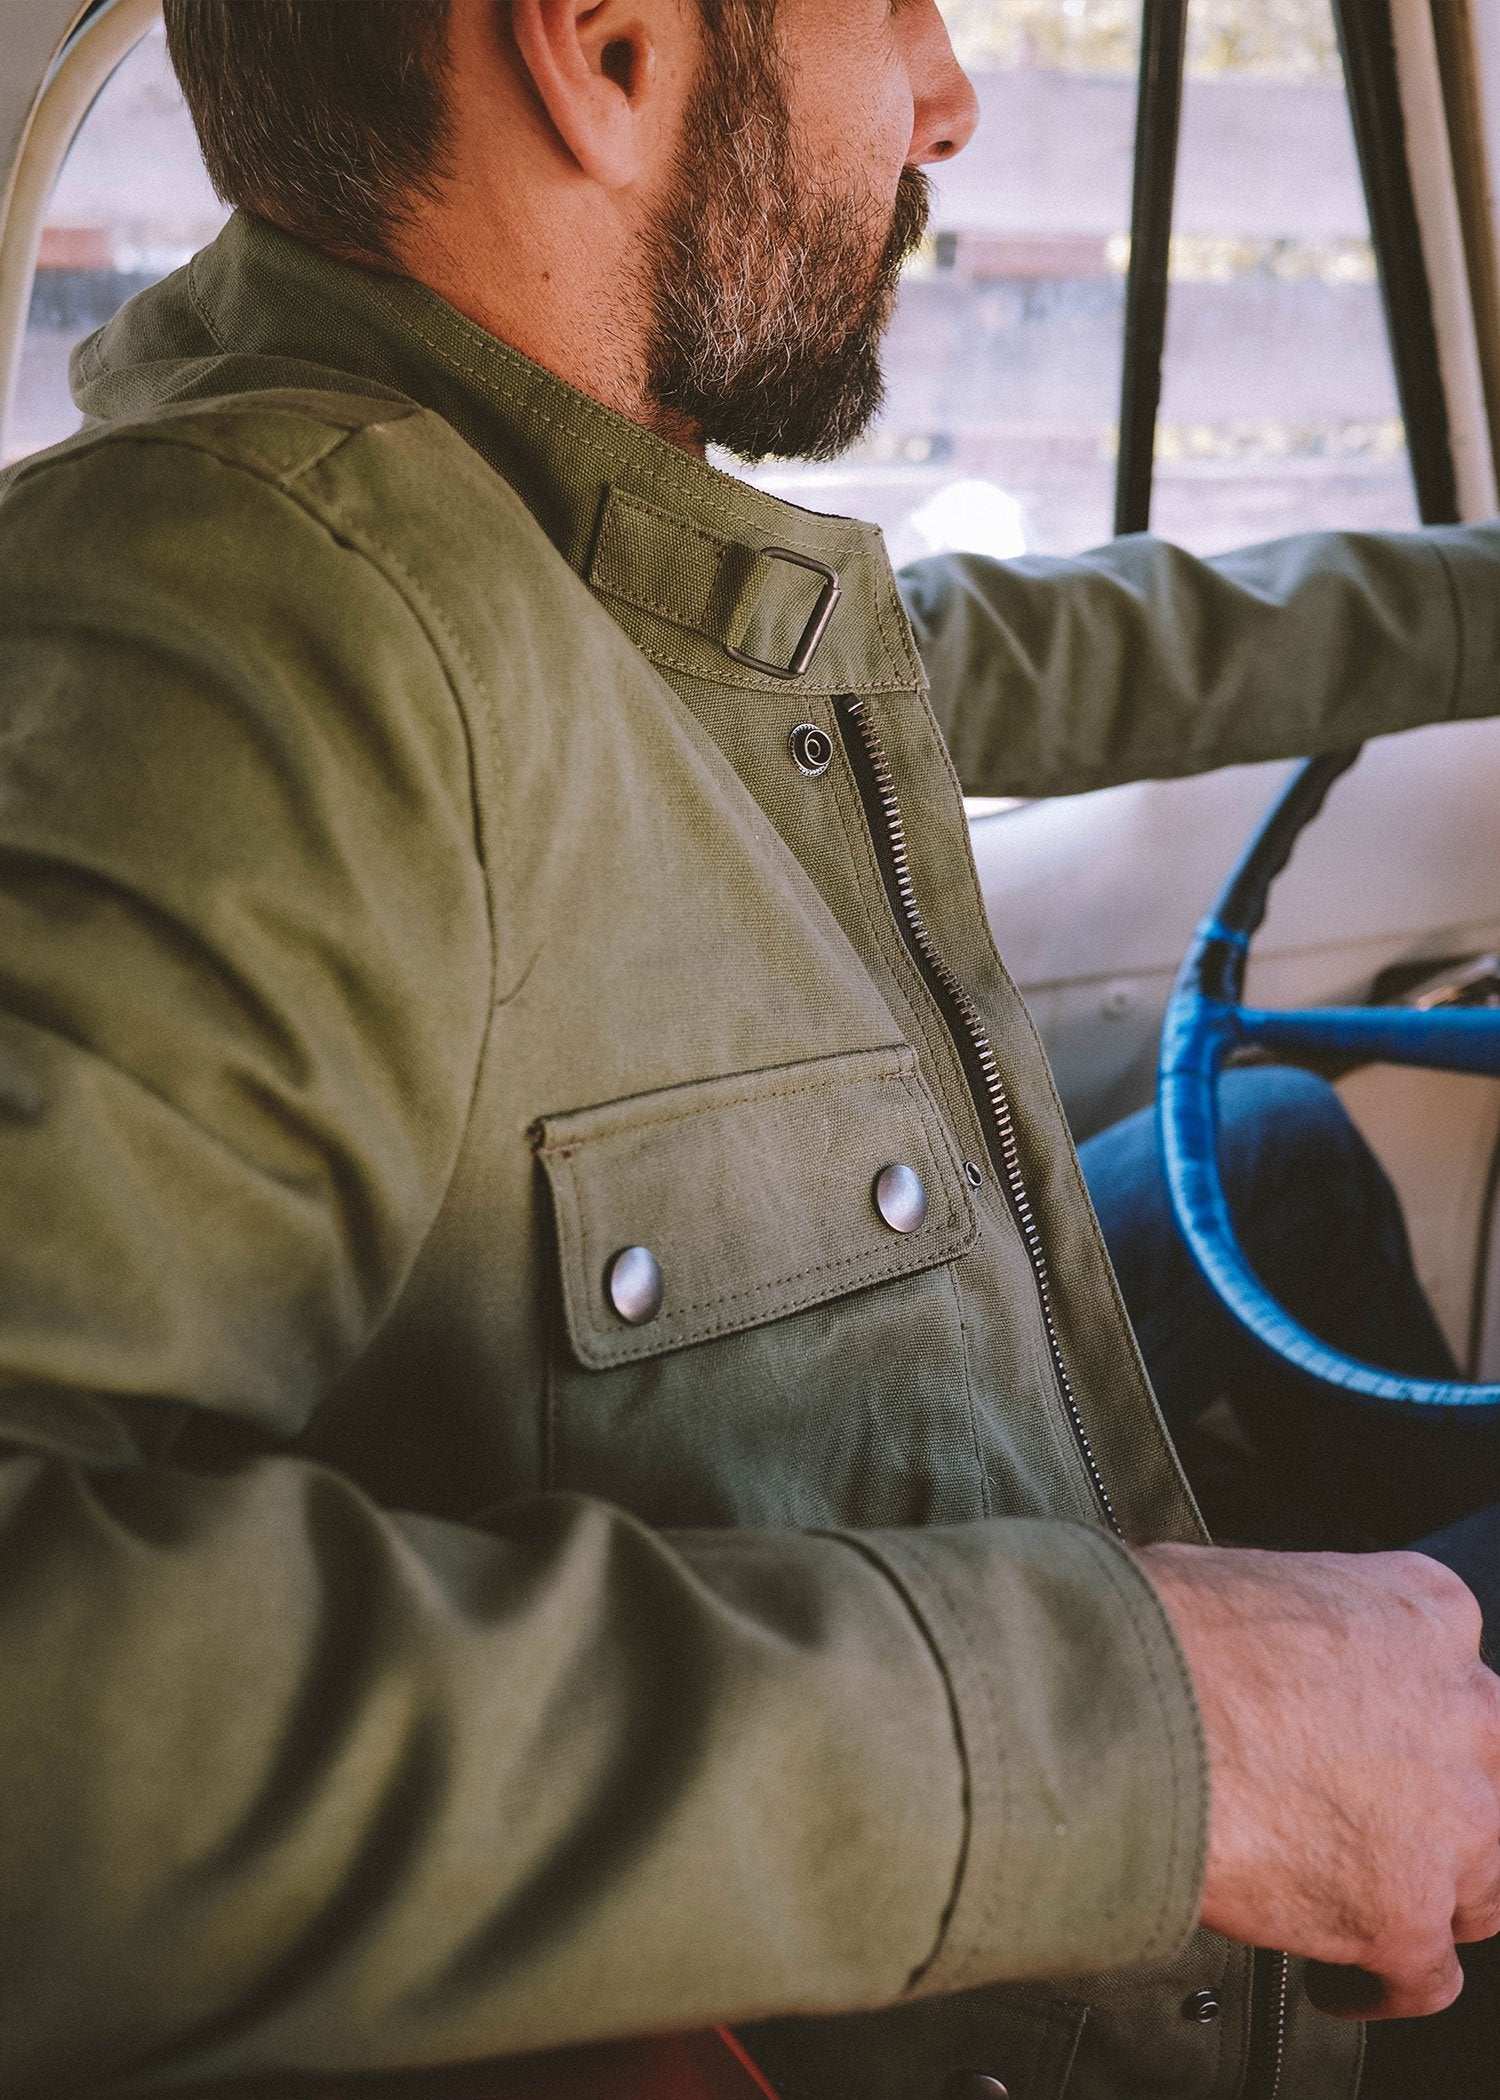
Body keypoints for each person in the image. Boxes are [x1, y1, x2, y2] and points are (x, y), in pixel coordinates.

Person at [1, 1, 1498, 2094]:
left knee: (1275, 1146)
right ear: (605, 48)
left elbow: (1098, 647)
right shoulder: (249, 634)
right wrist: (1169, 1730)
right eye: (890, 6)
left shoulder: (585, 544)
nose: (947, 97)